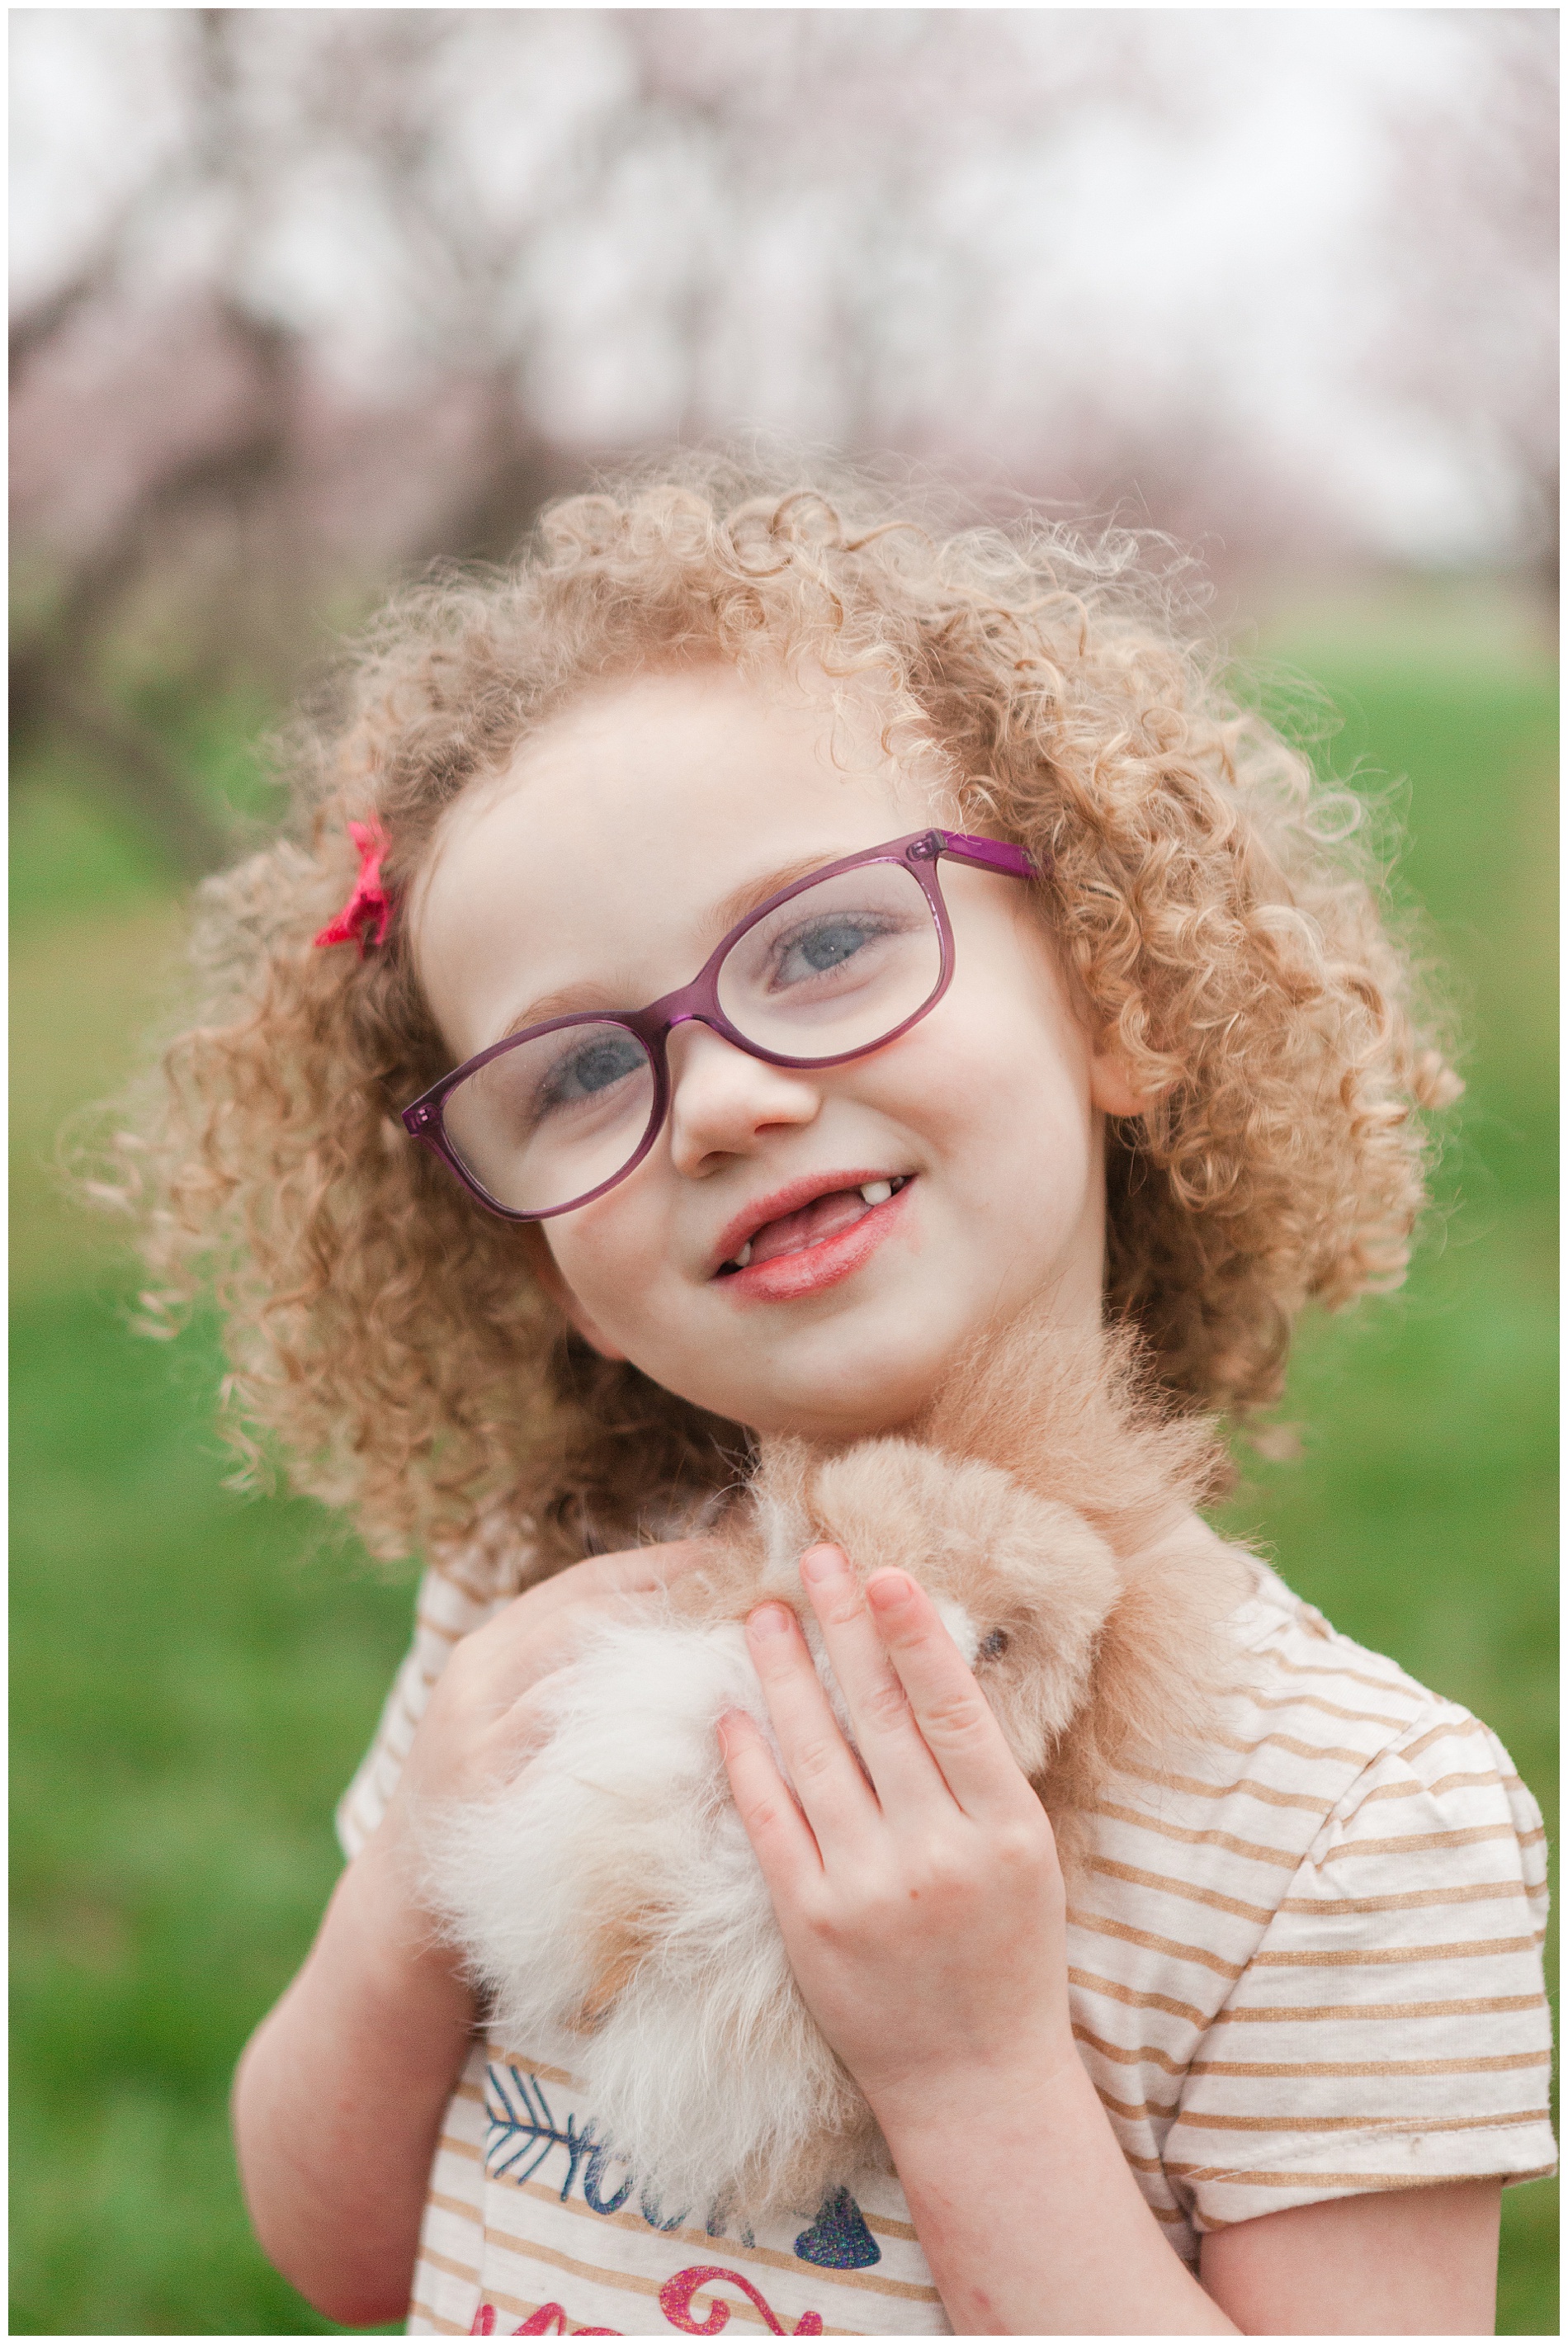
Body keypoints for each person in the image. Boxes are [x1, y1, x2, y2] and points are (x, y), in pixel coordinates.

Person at [126, 460, 1552, 2335]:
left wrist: (967, 2074)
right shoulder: (525, 1613)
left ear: (1115, 997)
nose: (718, 1098)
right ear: (551, 1270)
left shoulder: (1344, 1822)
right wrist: (412, 1877)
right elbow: (337, 2247)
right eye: (571, 1072)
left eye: (818, 945)